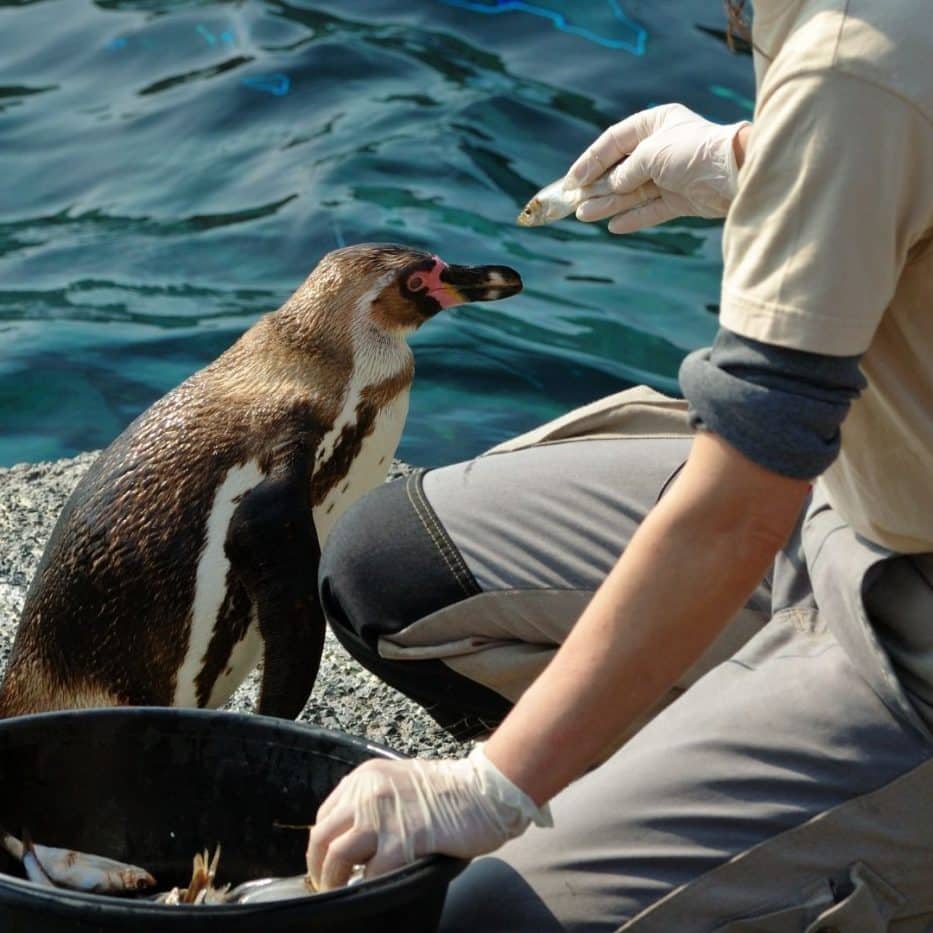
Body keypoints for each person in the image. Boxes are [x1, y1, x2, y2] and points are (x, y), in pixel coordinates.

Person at [307, 0, 933, 928]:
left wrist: (495, 782)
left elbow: (734, 510)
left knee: (492, 915)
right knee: (392, 569)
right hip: (847, 493)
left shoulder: (851, 58)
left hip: (903, 614)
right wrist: (759, 160)